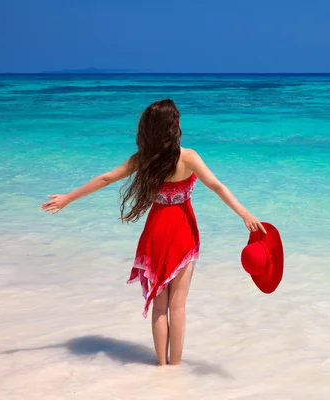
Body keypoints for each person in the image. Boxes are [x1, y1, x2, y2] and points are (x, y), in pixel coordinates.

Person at [41, 99, 266, 366]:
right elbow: (217, 186)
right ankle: (176, 367)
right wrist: (244, 214)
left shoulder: (143, 160)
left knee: (160, 305)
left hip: (155, 233)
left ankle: (160, 366)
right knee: (178, 306)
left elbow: (105, 179)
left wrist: (68, 198)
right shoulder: (189, 157)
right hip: (183, 232)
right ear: (173, 127)